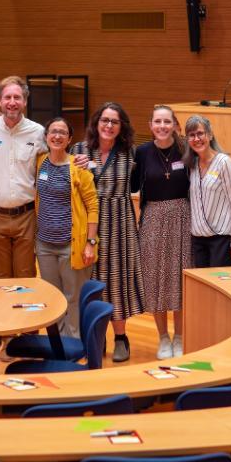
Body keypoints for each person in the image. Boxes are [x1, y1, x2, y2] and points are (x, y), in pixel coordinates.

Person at [72, 102, 144, 362]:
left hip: (119, 225)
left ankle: (121, 337)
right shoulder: (78, 150)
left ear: (121, 126)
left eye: (115, 121)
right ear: (96, 122)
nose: (109, 126)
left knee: (117, 281)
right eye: (105, 120)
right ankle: (94, 335)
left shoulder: (130, 154)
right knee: (88, 281)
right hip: (86, 223)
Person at [131, 105, 191, 359]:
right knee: (156, 279)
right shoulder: (142, 152)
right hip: (153, 220)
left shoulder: (186, 148)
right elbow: (132, 185)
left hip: (182, 218)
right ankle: (163, 338)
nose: (162, 126)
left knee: (179, 279)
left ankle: (179, 336)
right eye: (158, 122)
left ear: (175, 124)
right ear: (150, 125)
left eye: (167, 122)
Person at [35, 117, 98, 338]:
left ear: (70, 139)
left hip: (71, 245)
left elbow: (92, 207)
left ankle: (74, 341)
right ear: (46, 136)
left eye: (63, 132)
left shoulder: (78, 168)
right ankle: (57, 342)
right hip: (44, 245)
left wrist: (90, 243)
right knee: (52, 296)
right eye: (53, 131)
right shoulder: (39, 161)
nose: (57, 136)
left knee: (73, 297)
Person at [0, 76, 46, 279]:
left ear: (25, 102)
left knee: (25, 276)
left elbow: (55, 158)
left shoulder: (38, 132)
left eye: (17, 97)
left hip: (25, 217)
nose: (12, 102)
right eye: (7, 97)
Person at [183, 114, 231, 267]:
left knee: (218, 287)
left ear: (210, 135)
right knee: (201, 288)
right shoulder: (192, 165)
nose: (196, 139)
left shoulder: (224, 162)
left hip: (221, 240)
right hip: (198, 240)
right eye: (192, 135)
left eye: (200, 133)